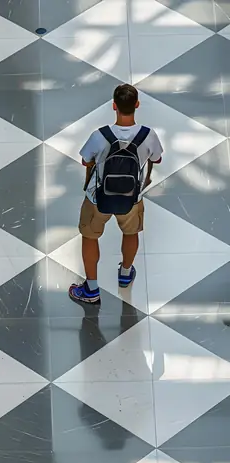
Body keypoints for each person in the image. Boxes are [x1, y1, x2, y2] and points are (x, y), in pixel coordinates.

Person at [69, 84, 163, 306]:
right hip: (132, 198)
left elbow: (86, 160)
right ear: (137, 105)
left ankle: (91, 289)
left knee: (90, 237)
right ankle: (125, 273)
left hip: (97, 198)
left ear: (114, 106)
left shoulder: (100, 135)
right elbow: (156, 159)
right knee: (130, 233)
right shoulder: (148, 135)